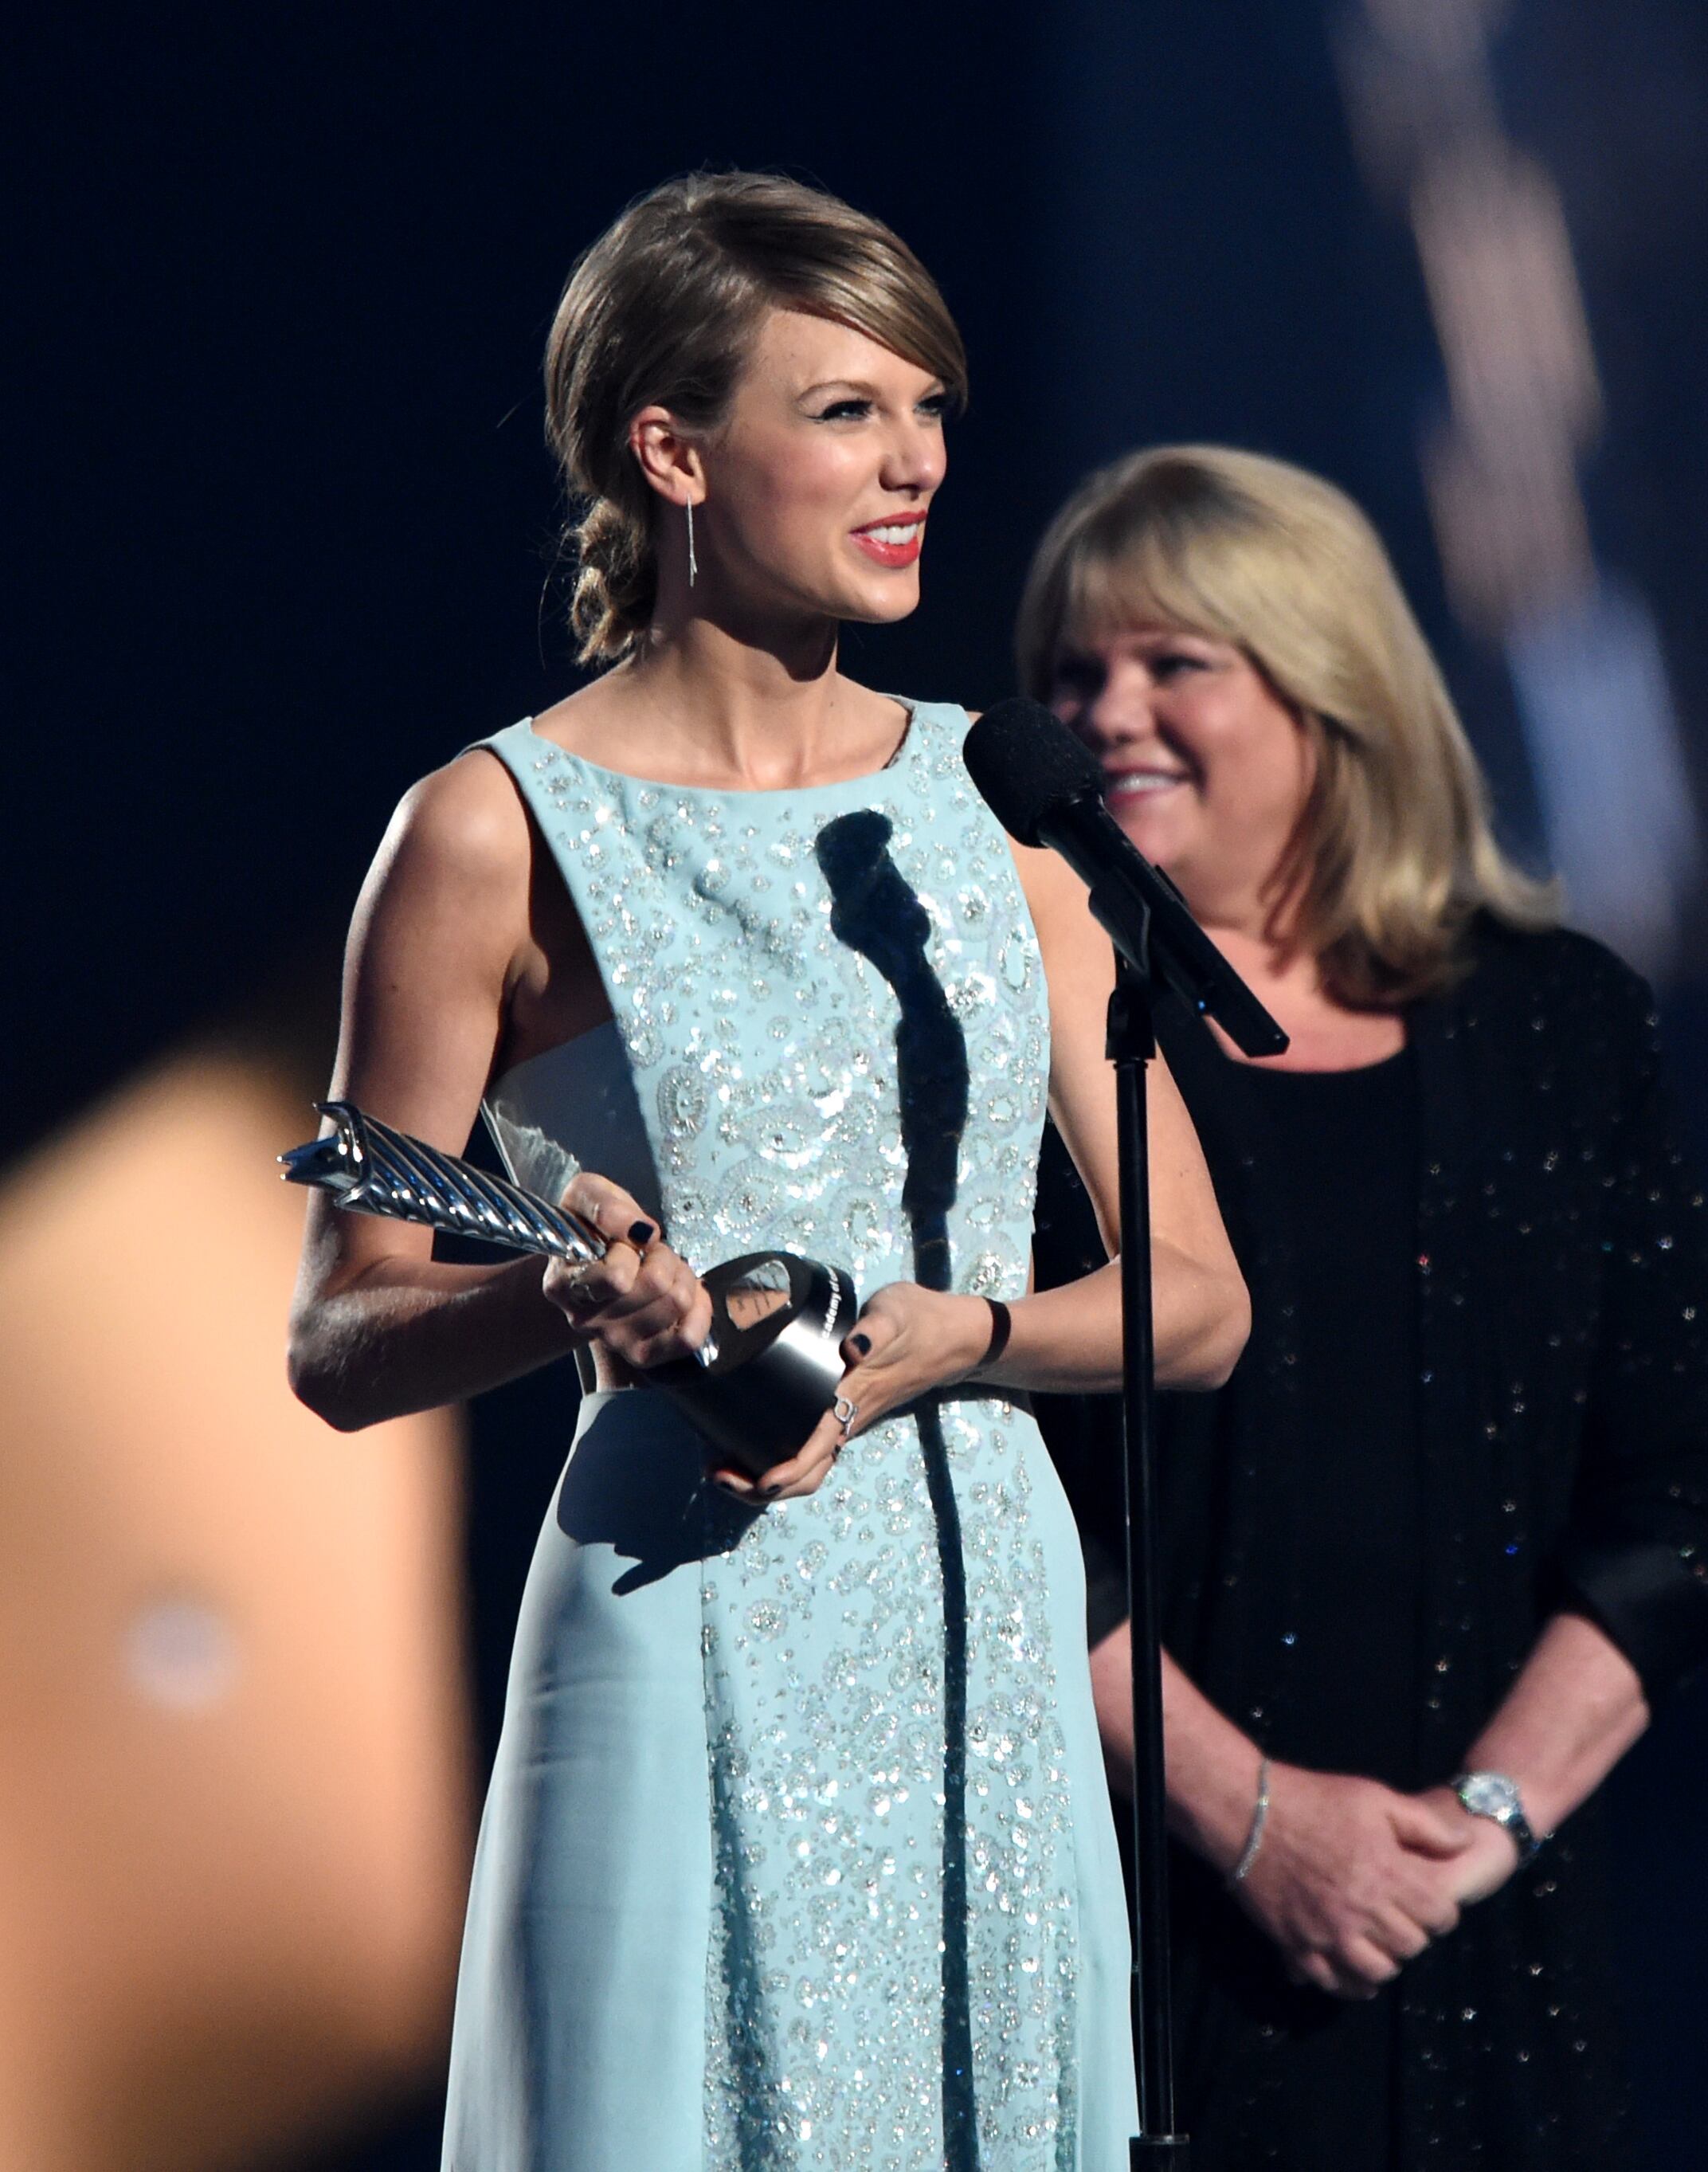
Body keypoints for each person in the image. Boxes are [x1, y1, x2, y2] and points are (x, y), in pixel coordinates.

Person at [285, 174, 1248, 2172]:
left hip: (974, 1603)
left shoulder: (996, 810)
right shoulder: (486, 830)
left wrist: (951, 1341)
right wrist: (556, 1293)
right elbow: (339, 1328)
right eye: (846, 413)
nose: (916, 466)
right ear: (671, 448)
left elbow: (1202, 1297)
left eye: (929, 410)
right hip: (679, 1593)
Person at [1018, 446, 1708, 2170]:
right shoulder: (1027, 1040)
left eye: (1172, 662)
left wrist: (1465, 1835)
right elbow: (1000, 1508)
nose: (1108, 710)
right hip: (1131, 1921)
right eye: (1072, 672)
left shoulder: (1557, 1027)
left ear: (1328, 693)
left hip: (1473, 1945)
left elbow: (1675, 1514)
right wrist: (1253, 1823)